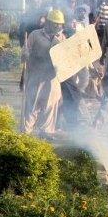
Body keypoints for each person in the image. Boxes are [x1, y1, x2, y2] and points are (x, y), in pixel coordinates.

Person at [22, 9, 65, 137]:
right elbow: (26, 50)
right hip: (36, 75)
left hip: (52, 78)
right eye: (55, 23)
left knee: (50, 106)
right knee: (31, 105)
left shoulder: (62, 38)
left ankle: (46, 133)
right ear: (48, 22)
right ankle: (25, 133)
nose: (58, 26)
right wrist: (25, 54)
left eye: (60, 24)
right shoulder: (35, 35)